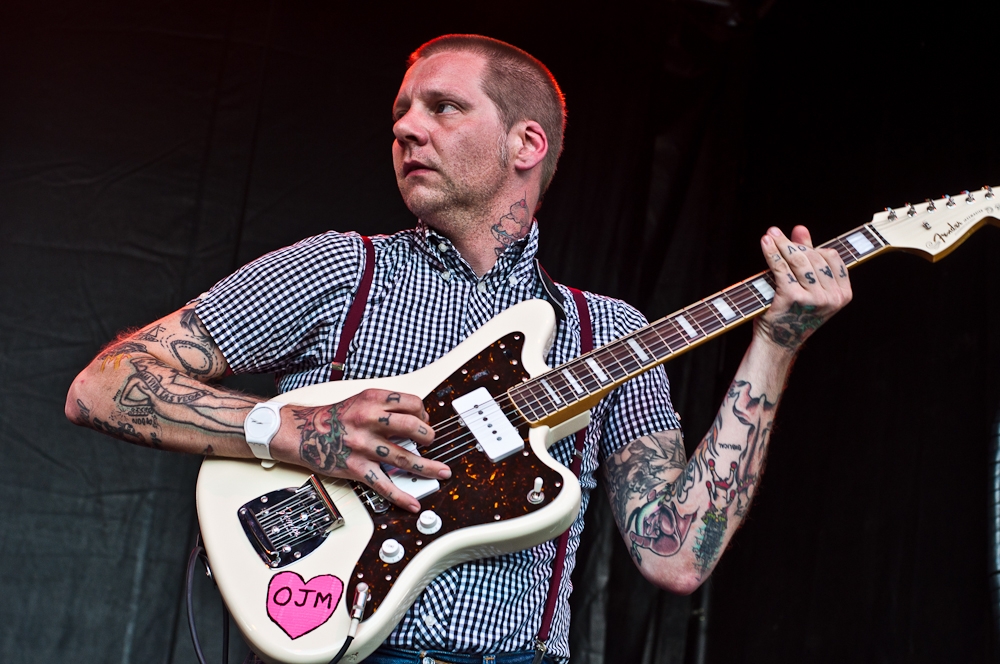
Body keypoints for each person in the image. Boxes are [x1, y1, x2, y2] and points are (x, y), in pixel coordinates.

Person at [65, 34, 851, 664]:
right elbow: (103, 384)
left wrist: (776, 345)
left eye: (443, 108)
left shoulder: (604, 329)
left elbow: (674, 553)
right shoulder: (339, 269)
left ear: (525, 143)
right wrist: (300, 430)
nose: (407, 127)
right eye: (403, 112)